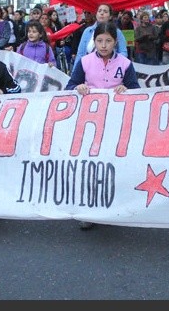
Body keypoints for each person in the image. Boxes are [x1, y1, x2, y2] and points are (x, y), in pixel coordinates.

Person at [65, 21, 140, 230]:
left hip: (117, 123)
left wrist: (126, 88)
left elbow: (137, 89)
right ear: (94, 41)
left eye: (108, 41)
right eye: (99, 40)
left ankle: (116, 207)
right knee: (91, 165)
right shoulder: (85, 62)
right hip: (89, 124)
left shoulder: (125, 64)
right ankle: (89, 212)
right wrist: (77, 87)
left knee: (114, 164)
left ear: (115, 41)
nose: (104, 45)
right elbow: (69, 86)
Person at [72, 3, 128, 73]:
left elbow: (123, 52)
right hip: (89, 72)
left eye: (105, 11)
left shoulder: (117, 32)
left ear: (110, 16)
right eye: (99, 11)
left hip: (110, 72)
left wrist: (112, 62)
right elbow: (80, 54)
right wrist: (75, 73)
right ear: (96, 14)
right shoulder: (88, 31)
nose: (102, 13)